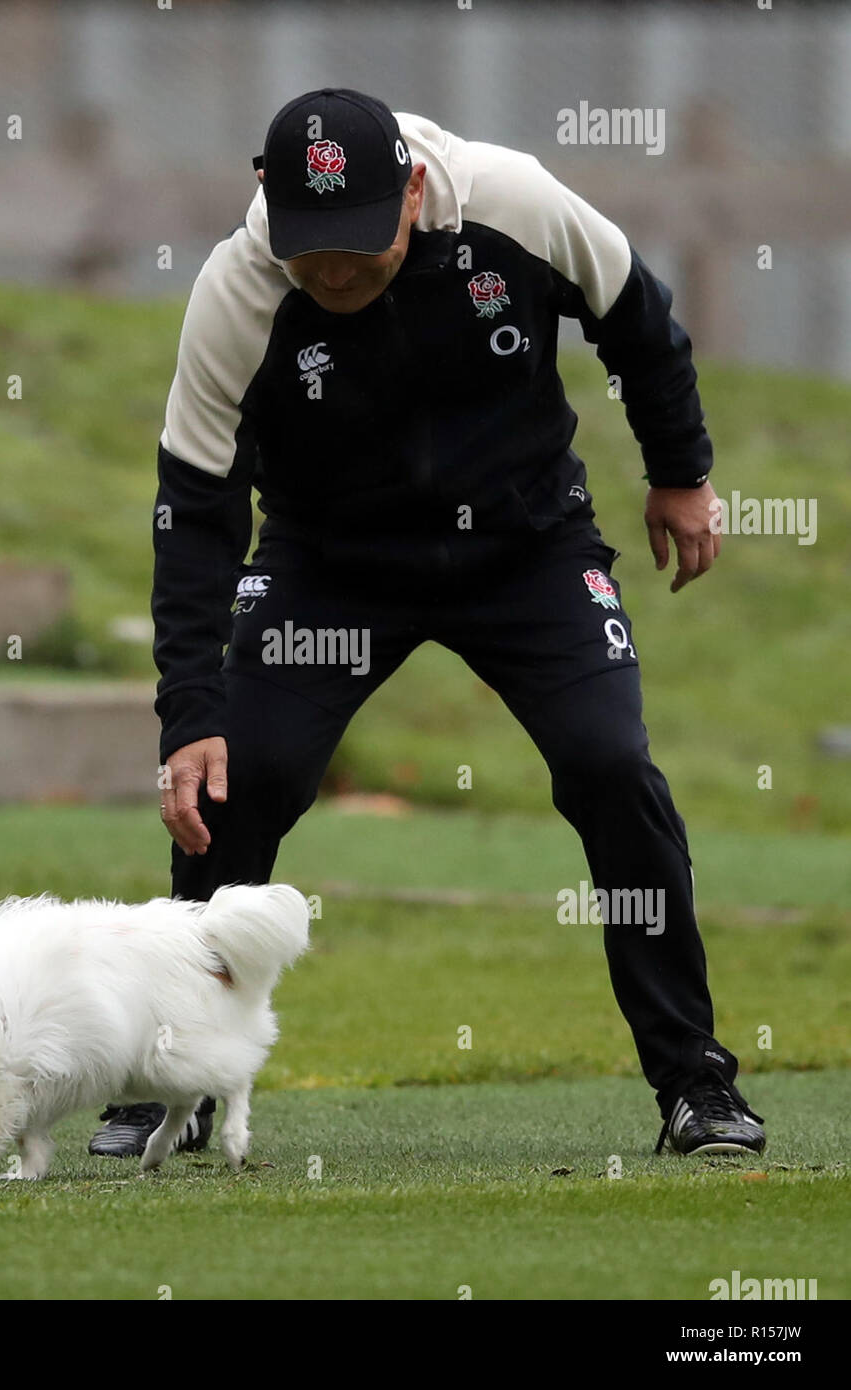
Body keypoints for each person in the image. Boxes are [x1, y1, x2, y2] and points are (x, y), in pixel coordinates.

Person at [89, 89, 764, 1163]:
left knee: (609, 764)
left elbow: (637, 315)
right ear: (267, 201)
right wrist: (189, 709)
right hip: (330, 567)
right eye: (317, 260)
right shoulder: (237, 291)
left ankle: (696, 1084)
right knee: (239, 777)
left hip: (525, 548)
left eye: (363, 251)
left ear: (411, 189)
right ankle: (175, 1080)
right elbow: (196, 506)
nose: (340, 279)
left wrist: (679, 472)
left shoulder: (514, 202)